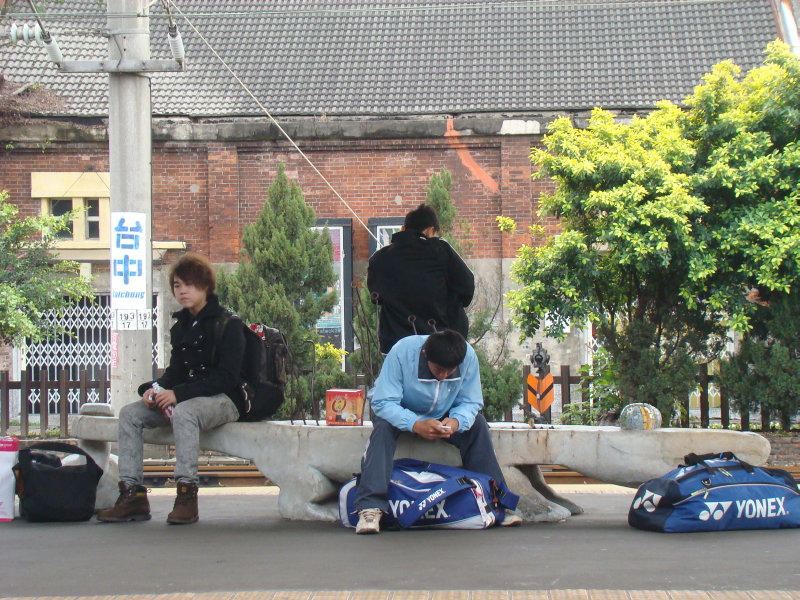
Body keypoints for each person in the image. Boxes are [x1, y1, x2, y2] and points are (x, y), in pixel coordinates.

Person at [97, 252, 245, 525]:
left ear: (205, 286)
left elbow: (227, 378)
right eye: (177, 285)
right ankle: (133, 496)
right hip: (190, 399)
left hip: (225, 400)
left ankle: (186, 495)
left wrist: (178, 395)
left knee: (184, 412)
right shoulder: (182, 327)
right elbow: (176, 372)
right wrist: (154, 389)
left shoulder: (229, 324)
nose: (182, 290)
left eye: (189, 284)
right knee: (131, 414)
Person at [352, 329, 522, 534]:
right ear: (425, 355)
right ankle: (370, 507)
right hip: (398, 410)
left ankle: (497, 501)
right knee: (383, 429)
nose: (444, 376)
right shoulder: (402, 352)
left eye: (450, 371)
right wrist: (415, 423)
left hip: (444, 413)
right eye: (439, 369)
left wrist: (457, 422)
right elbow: (383, 402)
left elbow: (471, 401)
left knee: (477, 425)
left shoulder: (467, 356)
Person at [368, 204, 474, 354]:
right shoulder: (441, 251)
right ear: (430, 230)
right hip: (441, 345)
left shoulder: (379, 258)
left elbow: (376, 298)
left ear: (403, 229)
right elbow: (467, 289)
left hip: (396, 345)